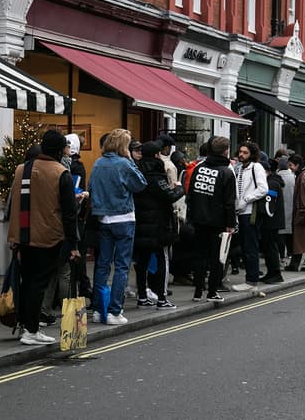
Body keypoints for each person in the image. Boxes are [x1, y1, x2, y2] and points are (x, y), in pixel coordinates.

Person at [7, 130, 81, 344]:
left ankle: (25, 326)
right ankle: (31, 330)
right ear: (59, 151)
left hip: (23, 234)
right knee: (39, 283)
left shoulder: (22, 168)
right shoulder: (61, 173)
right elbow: (69, 213)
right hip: (49, 236)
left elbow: (14, 202)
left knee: (27, 280)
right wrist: (73, 244)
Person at [88, 129, 147, 324]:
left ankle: (98, 310)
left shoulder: (98, 163)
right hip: (123, 218)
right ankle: (114, 311)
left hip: (104, 219)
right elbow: (140, 184)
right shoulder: (123, 163)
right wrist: (130, 160)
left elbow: (91, 188)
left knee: (102, 266)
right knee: (121, 266)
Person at [133, 141, 185, 309]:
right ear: (156, 155)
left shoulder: (136, 172)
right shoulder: (156, 176)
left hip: (140, 223)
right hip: (158, 225)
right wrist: (179, 188)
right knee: (162, 260)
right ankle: (162, 298)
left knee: (141, 262)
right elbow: (169, 196)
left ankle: (142, 296)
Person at [186, 136, 236, 301]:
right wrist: (230, 224)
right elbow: (229, 202)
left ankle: (198, 292)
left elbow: (191, 195)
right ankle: (212, 292)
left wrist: (190, 217)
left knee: (199, 256)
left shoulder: (199, 168)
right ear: (225, 151)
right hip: (218, 222)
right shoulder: (227, 173)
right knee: (217, 258)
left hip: (198, 219)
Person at [233, 142, 268, 288]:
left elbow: (263, 189)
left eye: (245, 152)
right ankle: (249, 278)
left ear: (252, 154)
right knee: (244, 247)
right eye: (240, 152)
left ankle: (252, 280)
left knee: (250, 247)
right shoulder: (240, 168)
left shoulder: (256, 167)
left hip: (249, 213)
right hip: (239, 213)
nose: (241, 154)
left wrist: (246, 200)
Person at [257, 160, 285, 284]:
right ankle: (271, 273)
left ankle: (275, 273)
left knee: (271, 248)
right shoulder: (272, 182)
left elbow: (269, 206)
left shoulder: (272, 184)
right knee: (268, 248)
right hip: (271, 221)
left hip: (271, 221)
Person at [276, 156, 295, 265]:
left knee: (280, 235)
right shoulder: (293, 177)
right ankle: (291, 253)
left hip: (279, 209)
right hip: (291, 208)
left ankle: (282, 256)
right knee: (290, 234)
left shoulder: (277, 177)